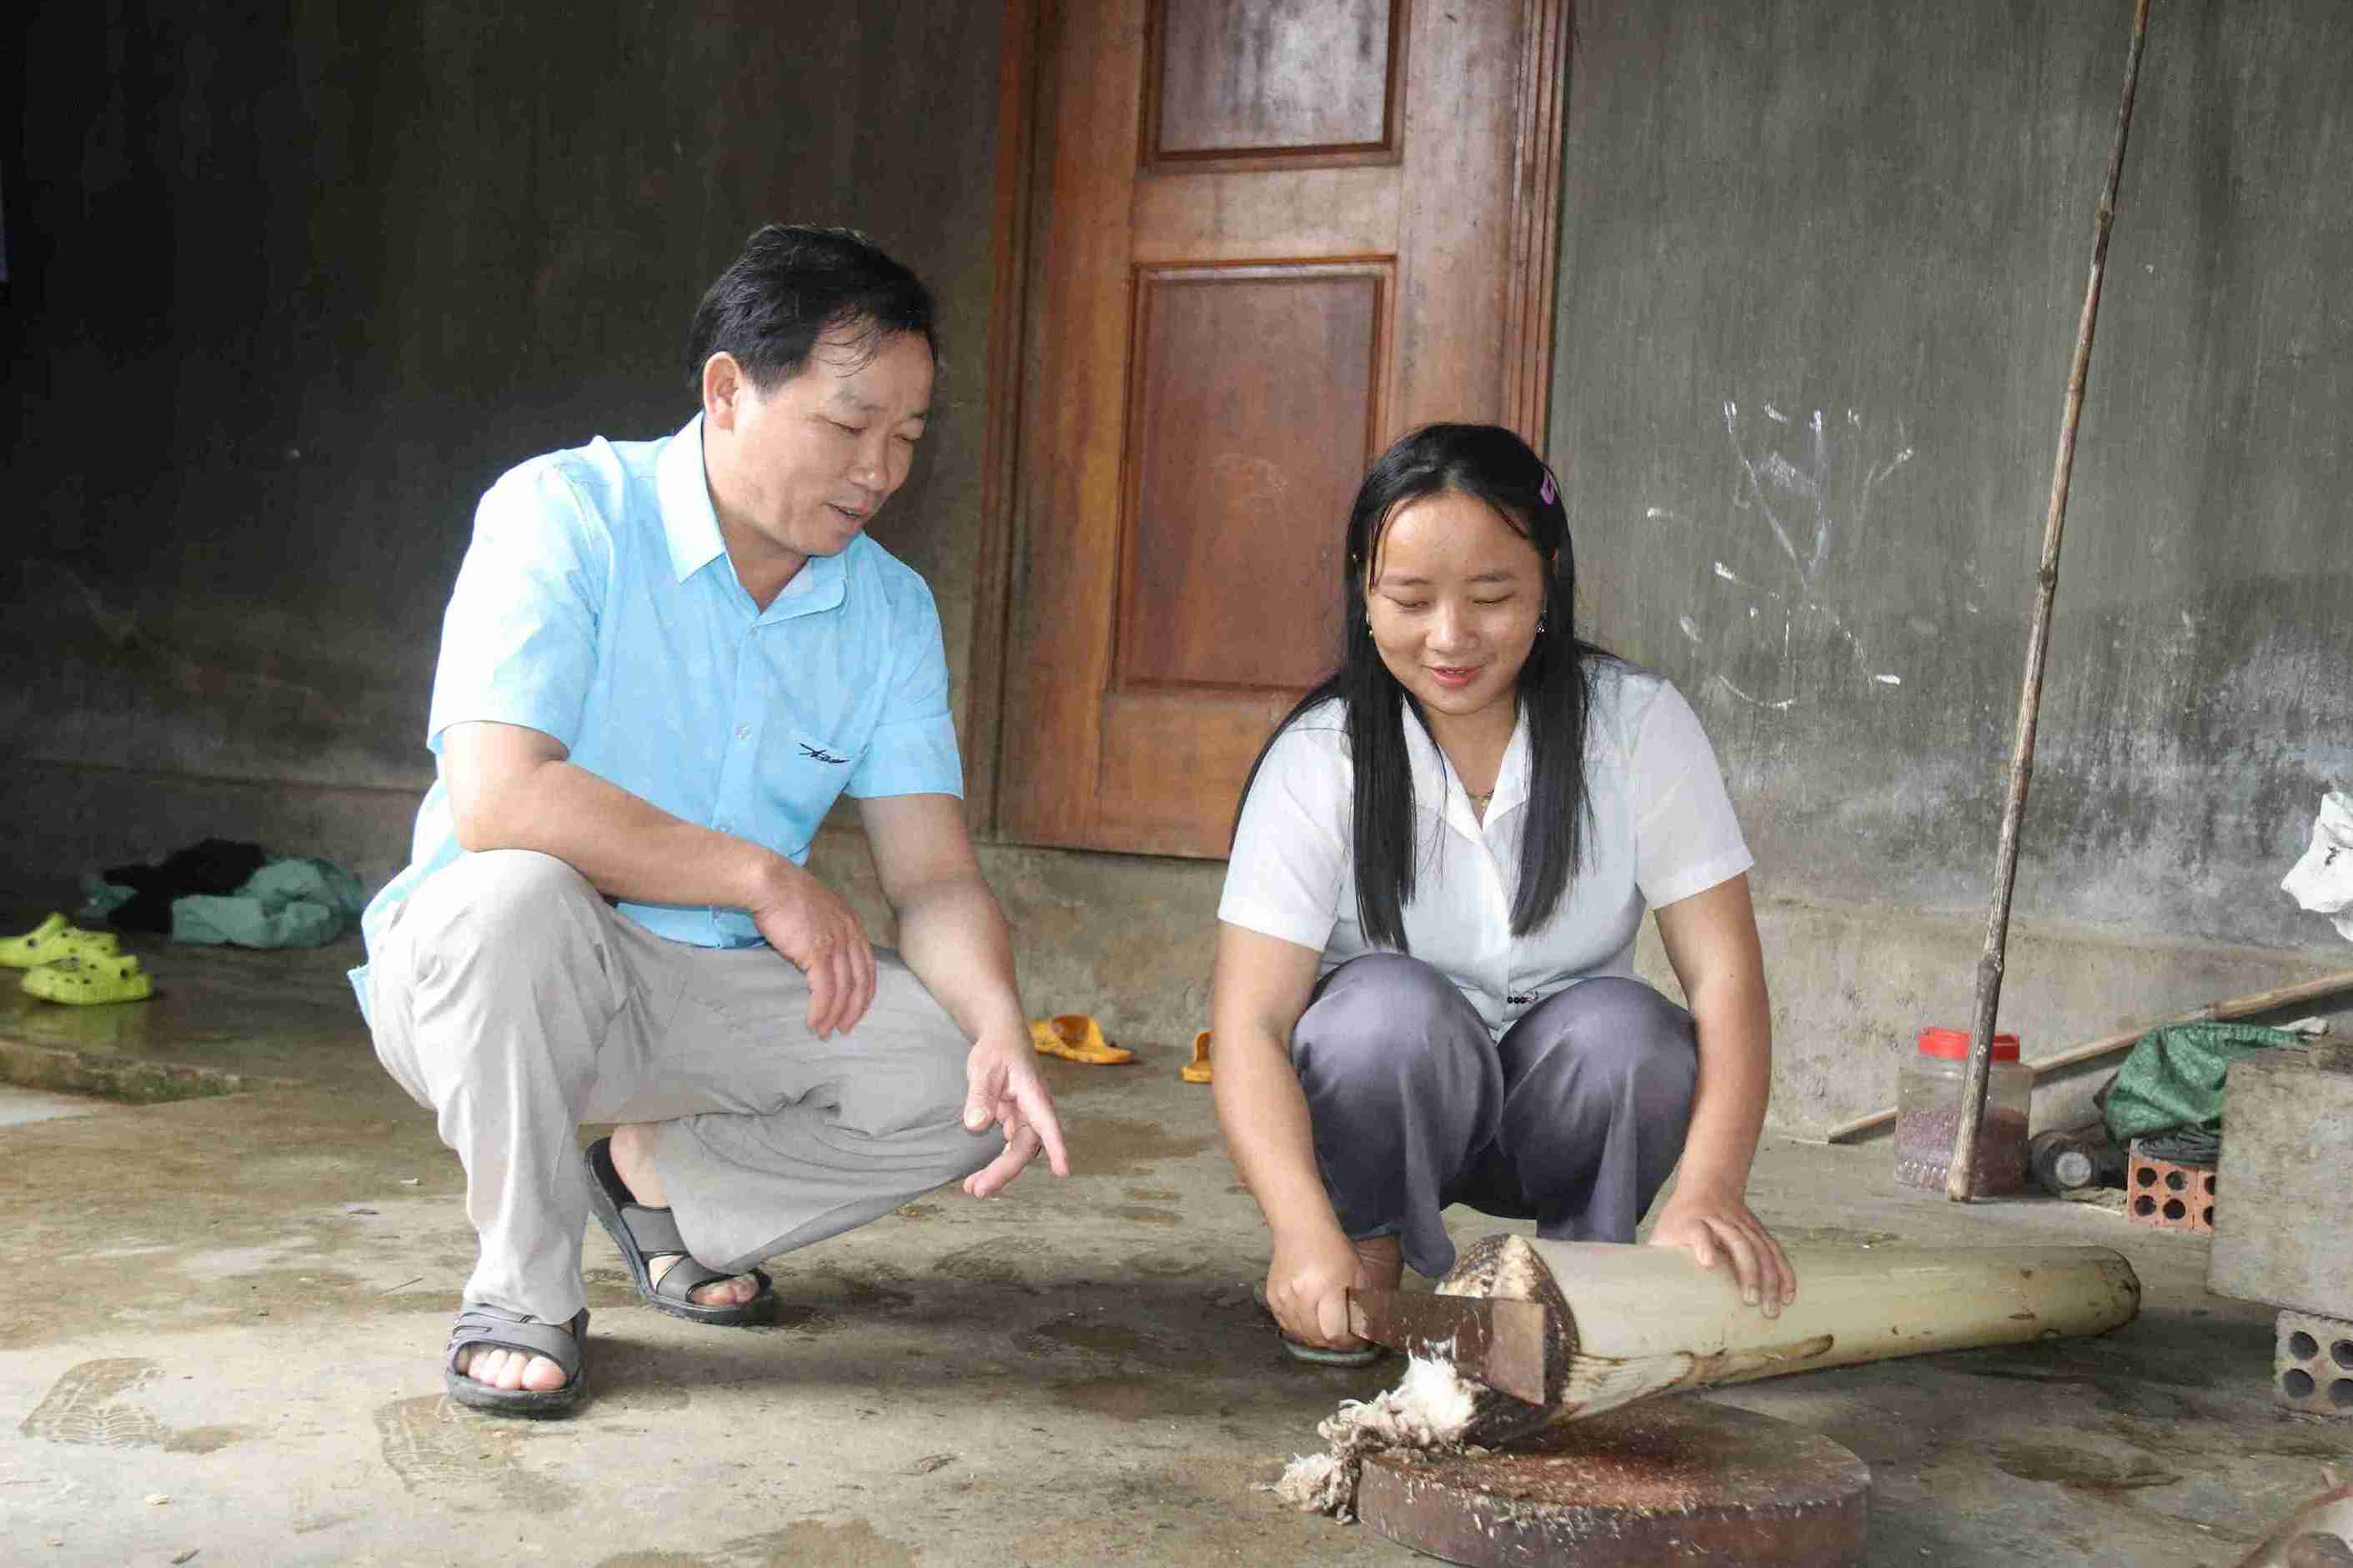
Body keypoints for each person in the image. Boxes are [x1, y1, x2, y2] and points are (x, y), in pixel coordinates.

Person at [351, 224, 1068, 1415]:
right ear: (728, 391)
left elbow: (934, 878)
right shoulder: (564, 513)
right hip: (498, 984)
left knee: (968, 1085)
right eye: (847, 426)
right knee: (514, 892)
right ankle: (524, 1287)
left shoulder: (887, 609)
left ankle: (659, 1183)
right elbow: (499, 794)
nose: (880, 470)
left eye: (905, 435)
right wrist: (760, 876)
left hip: (707, 997)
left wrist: (999, 1023)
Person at [1210, 423, 1794, 1364]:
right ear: (1363, 591)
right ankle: (1362, 1241)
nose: (1449, 637)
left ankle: (1584, 1272)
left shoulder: (1636, 727)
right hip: (1390, 1104)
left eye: (1490, 597)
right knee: (1378, 1015)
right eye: (1410, 599)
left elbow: (1726, 980)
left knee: (1630, 1035)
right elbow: (1249, 1025)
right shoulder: (1319, 759)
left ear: (1548, 582)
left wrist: (1709, 1189)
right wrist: (1296, 1224)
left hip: (1554, 1111)